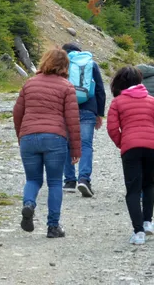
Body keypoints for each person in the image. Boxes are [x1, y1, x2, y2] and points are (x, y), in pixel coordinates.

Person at [12, 49, 81, 239]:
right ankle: (53, 227)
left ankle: (29, 204)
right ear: (65, 66)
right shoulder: (67, 87)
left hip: (29, 138)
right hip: (55, 139)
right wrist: (75, 148)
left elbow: (17, 113)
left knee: (33, 180)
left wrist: (21, 135)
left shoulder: (30, 83)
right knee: (54, 182)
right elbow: (73, 120)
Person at [107, 66, 154, 246]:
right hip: (153, 148)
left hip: (130, 148)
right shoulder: (153, 101)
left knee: (133, 190)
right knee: (148, 184)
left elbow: (112, 128)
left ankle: (138, 233)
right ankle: (148, 222)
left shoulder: (118, 102)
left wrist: (123, 142)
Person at [61, 43, 105, 197]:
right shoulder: (90, 64)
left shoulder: (62, 64)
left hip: (67, 108)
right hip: (88, 108)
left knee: (67, 143)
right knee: (86, 144)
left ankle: (69, 181)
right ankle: (84, 179)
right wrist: (99, 113)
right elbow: (99, 88)